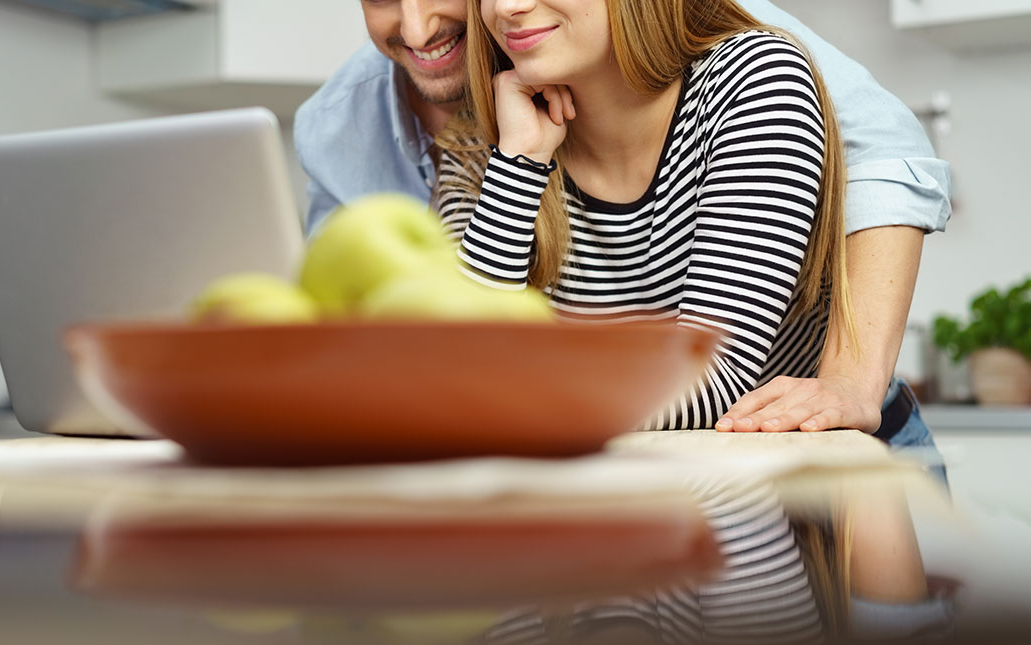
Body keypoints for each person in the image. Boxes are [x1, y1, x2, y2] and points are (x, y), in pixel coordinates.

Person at [293, 1, 950, 470]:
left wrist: (481, 405)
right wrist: (519, 165)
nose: (509, 7)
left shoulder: (751, 74)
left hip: (799, 483)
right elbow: (461, 354)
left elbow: (714, 373)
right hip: (613, 486)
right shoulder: (482, 130)